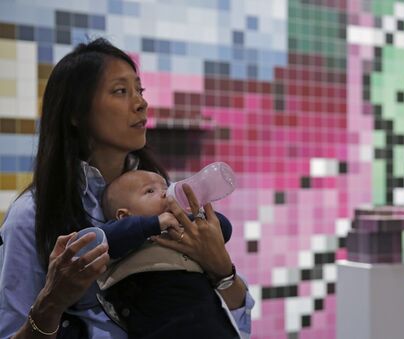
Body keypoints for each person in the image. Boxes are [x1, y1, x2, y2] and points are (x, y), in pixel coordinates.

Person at [0, 38, 253, 338]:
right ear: (75, 113)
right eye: (121, 91)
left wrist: (223, 270)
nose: (141, 103)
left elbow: (238, 322)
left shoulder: (164, 193)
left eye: (140, 90)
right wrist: (51, 302)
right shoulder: (32, 216)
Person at [95, 169, 239, 338]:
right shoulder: (122, 235)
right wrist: (153, 224)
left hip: (207, 321)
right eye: (150, 191)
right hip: (157, 315)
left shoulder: (181, 229)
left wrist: (194, 216)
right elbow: (106, 240)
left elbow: (224, 229)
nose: (165, 194)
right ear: (124, 215)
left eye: (165, 187)